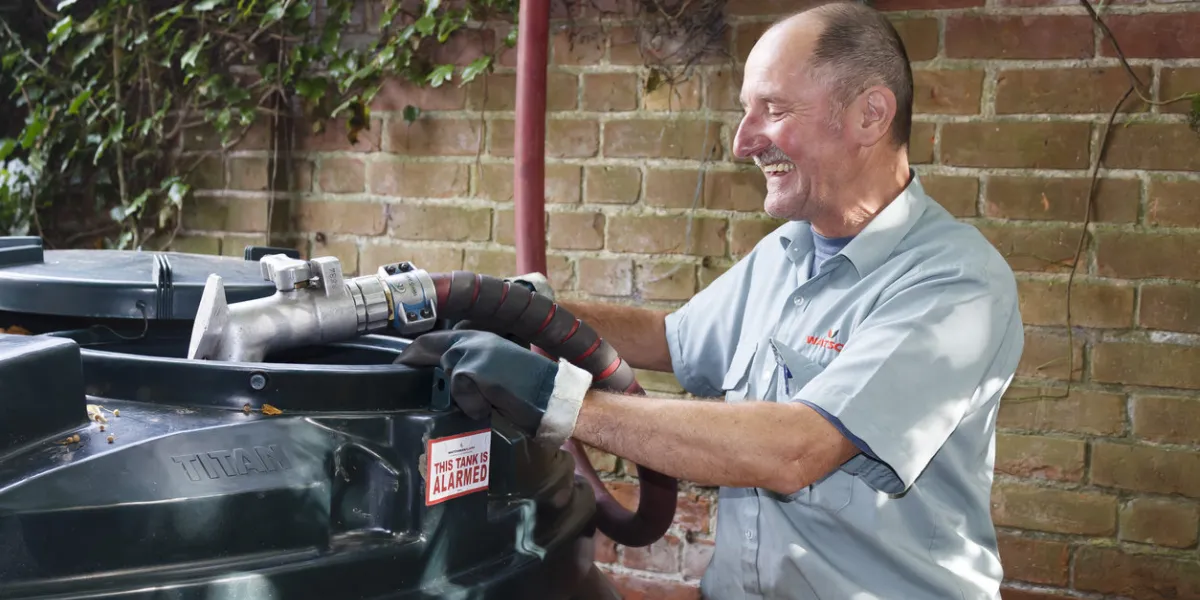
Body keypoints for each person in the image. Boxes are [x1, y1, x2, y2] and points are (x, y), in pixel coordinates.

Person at [395, 2, 1025, 598]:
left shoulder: (955, 283)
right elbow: (668, 338)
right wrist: (512, 307)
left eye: (773, 110)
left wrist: (552, 399)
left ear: (870, 115)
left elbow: (796, 449)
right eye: (746, 111)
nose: (743, 142)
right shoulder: (788, 251)